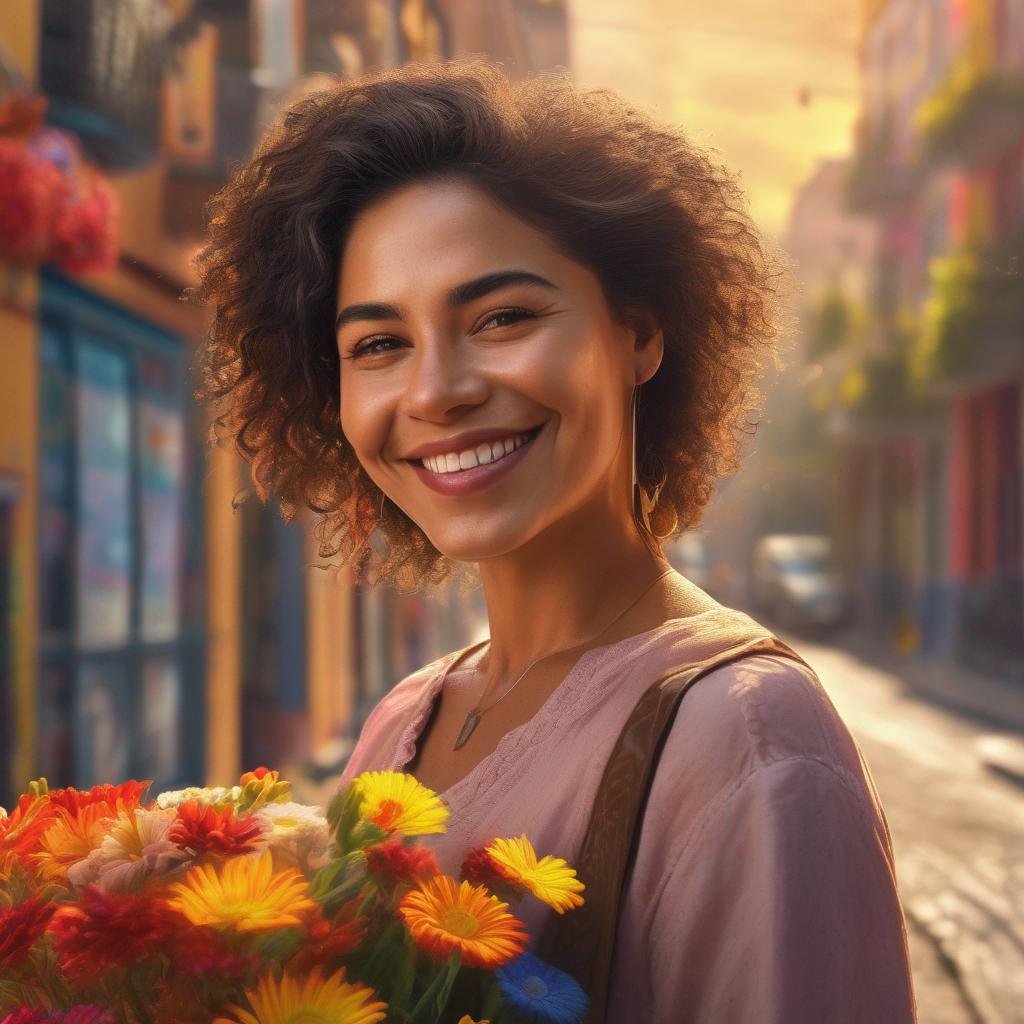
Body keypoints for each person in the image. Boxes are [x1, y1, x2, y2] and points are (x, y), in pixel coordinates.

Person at [194, 57, 917, 1023]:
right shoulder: (404, 722)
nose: (435, 390)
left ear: (639, 336)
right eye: (378, 343)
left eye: (501, 317)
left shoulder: (748, 742)